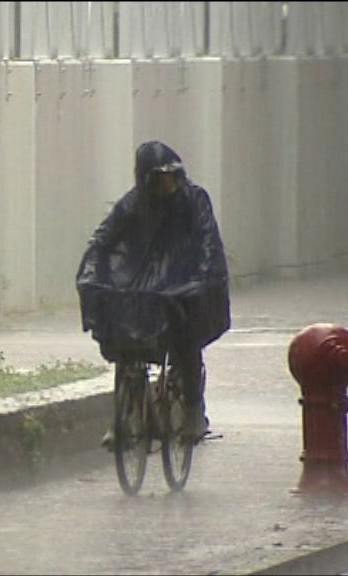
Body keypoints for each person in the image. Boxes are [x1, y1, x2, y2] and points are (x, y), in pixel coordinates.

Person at [75, 140, 231, 447]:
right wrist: (92, 275)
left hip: (183, 284)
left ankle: (192, 410)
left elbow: (208, 242)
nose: (166, 184)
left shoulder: (194, 200)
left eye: (170, 176)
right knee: (125, 341)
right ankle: (123, 415)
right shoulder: (132, 205)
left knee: (185, 341)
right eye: (159, 178)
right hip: (145, 289)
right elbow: (103, 240)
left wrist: (201, 279)